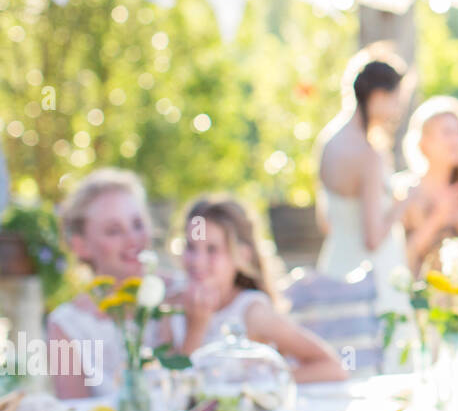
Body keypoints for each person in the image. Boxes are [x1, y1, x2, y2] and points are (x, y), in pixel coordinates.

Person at [160, 196, 346, 383]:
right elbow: (172, 384)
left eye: (212, 249)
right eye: (191, 247)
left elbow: (333, 367)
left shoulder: (251, 312)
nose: (197, 261)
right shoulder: (171, 305)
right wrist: (196, 328)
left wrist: (261, 384)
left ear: (242, 255)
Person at [47, 169, 171, 398]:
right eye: (114, 231)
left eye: (137, 224)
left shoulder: (179, 297)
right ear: (81, 246)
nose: (133, 239)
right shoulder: (66, 324)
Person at [314, 44, 412, 315]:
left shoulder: (328, 142)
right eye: (396, 101)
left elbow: (326, 221)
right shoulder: (368, 155)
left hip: (334, 266)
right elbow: (373, 237)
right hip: (371, 278)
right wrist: (404, 201)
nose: (397, 111)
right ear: (379, 96)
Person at [399, 95, 458, 276]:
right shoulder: (406, 192)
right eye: (447, 133)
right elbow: (401, 258)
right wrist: (438, 218)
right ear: (424, 142)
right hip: (419, 298)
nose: (456, 140)